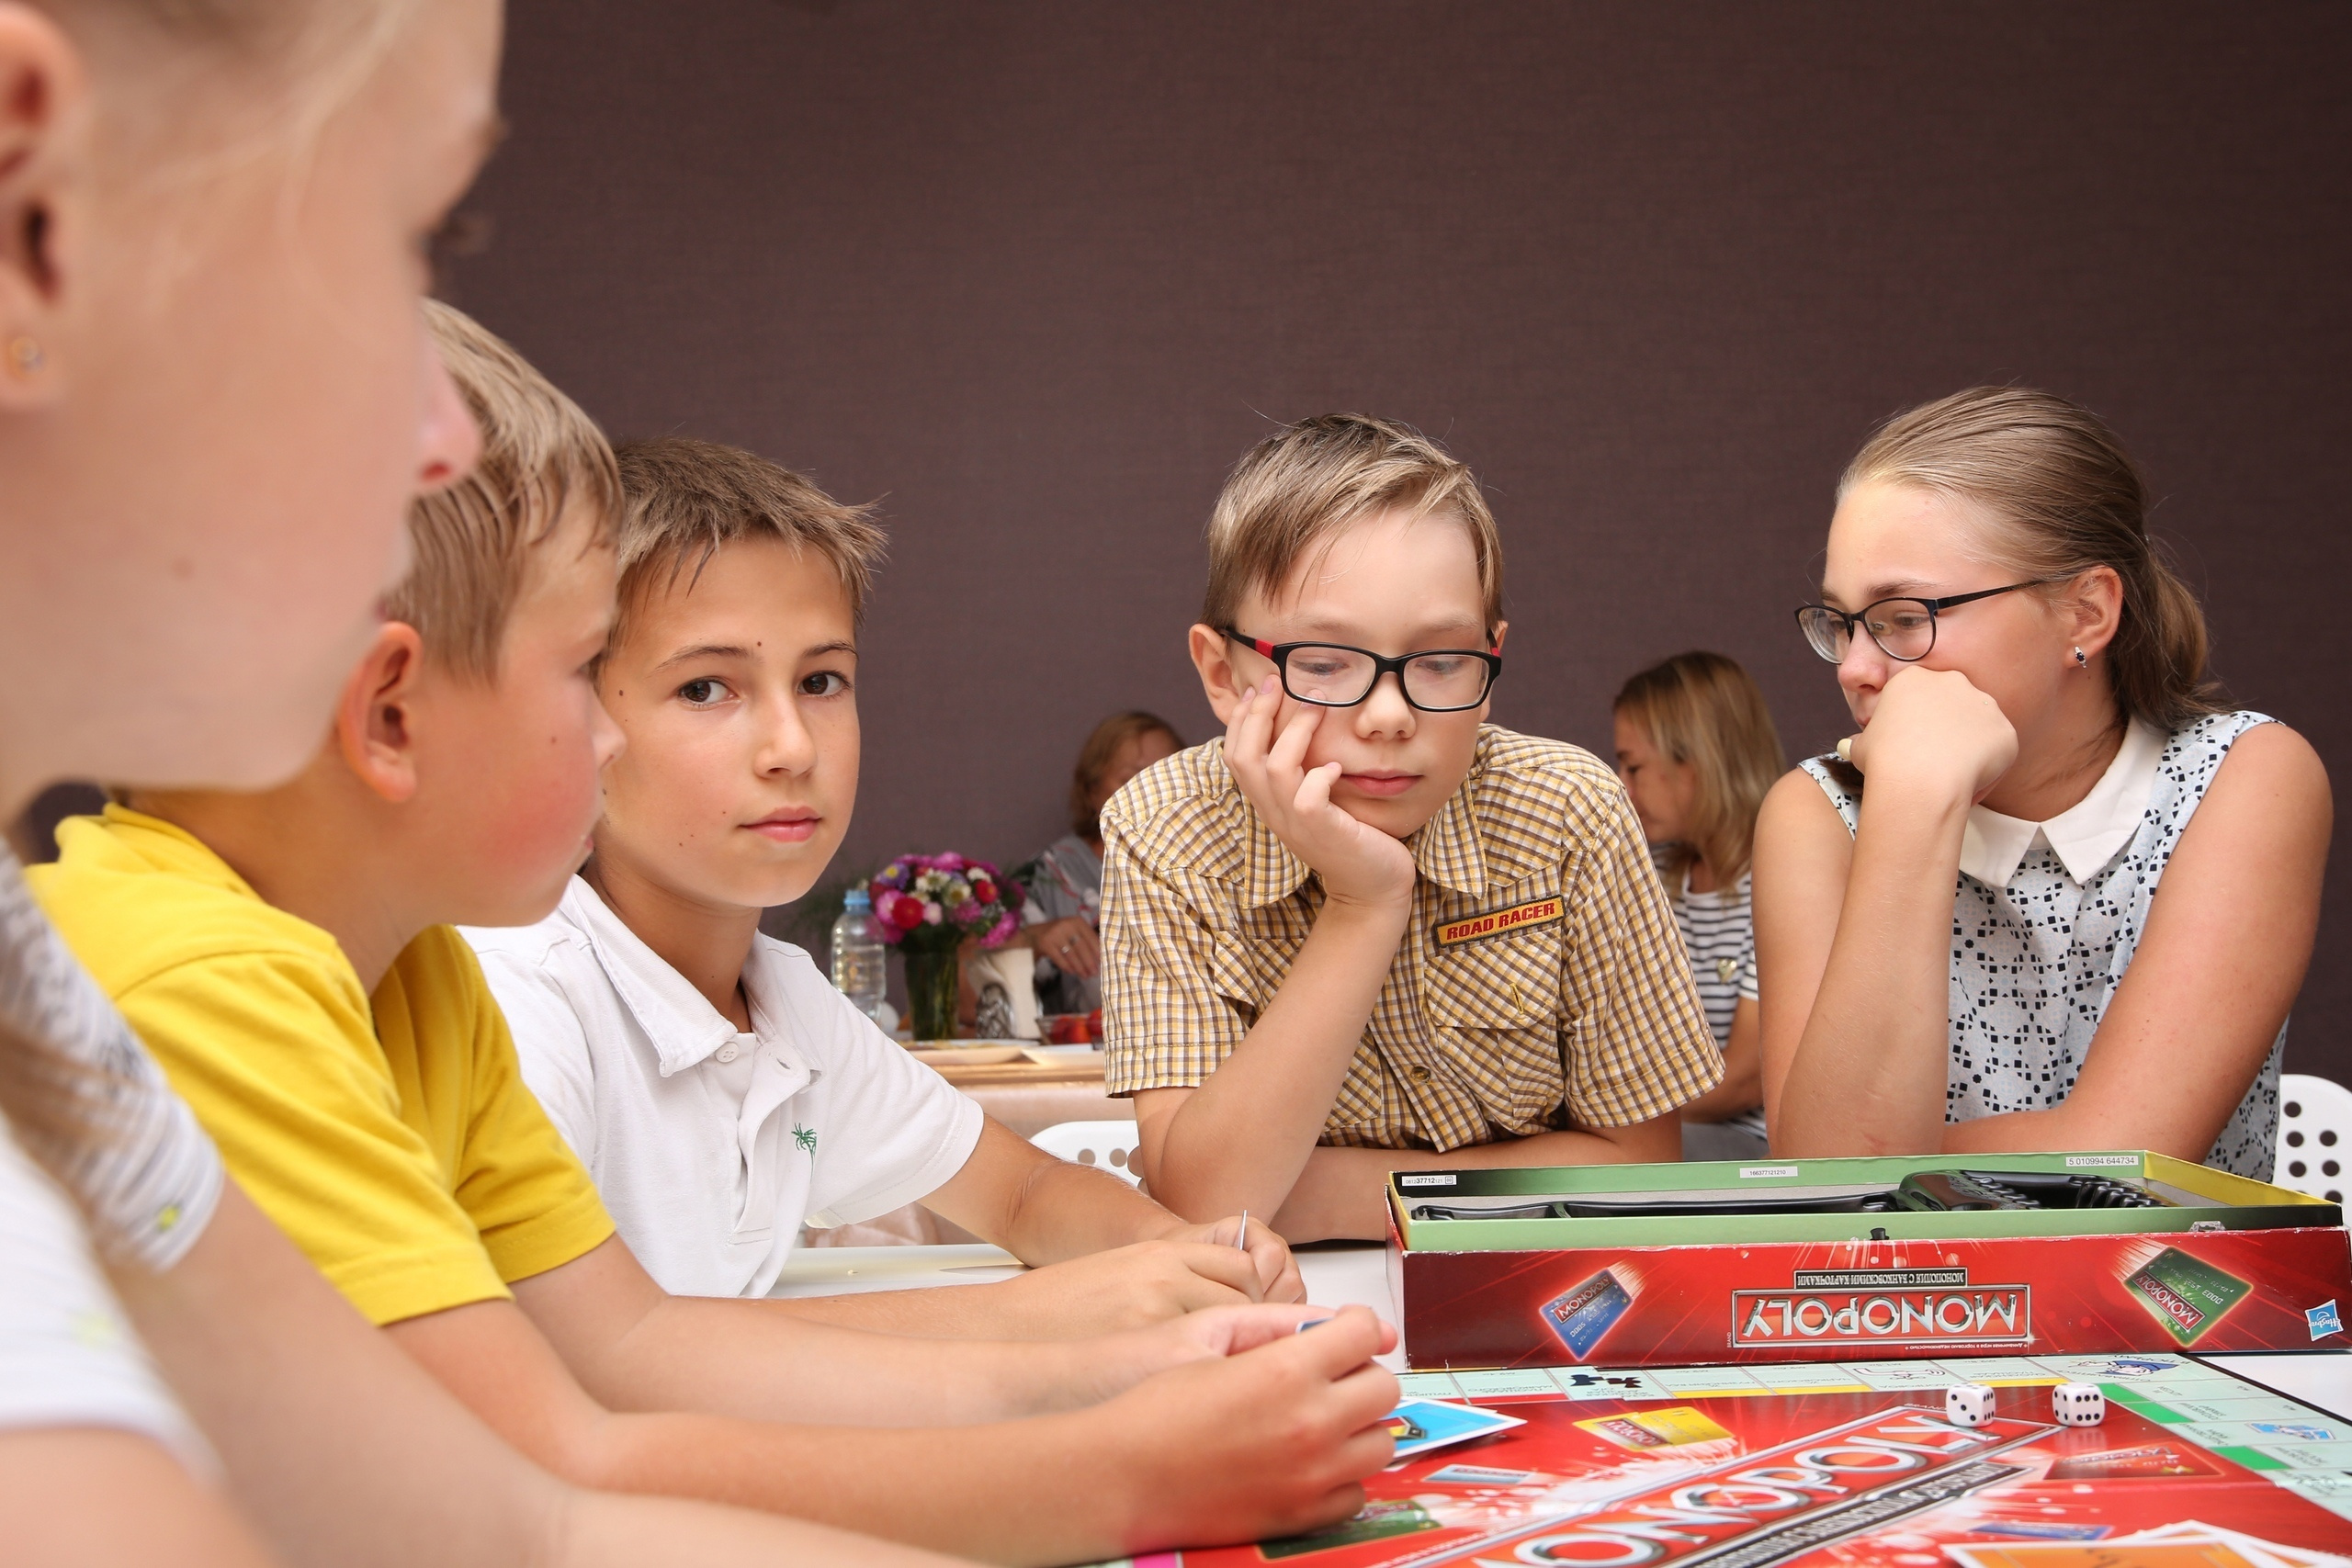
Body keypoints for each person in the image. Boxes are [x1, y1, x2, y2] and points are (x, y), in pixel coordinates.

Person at [32, 309, 1398, 1565]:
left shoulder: (413, 971)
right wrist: (1128, 1469)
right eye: (588, 675)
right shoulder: (204, 984)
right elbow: (550, 1476)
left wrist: (1120, 1370)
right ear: (390, 714)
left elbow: (633, 1344)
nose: (615, 735)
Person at [0, 2, 963, 1564]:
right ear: (33, 205)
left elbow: (524, 1516)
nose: (435, 429)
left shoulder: (38, 982)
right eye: (403, 243)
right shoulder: (178, 970)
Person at [469, 435, 1301, 1325]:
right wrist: (1059, 1315)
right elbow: (599, 1356)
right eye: (708, 689)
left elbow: (1019, 1194)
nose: (793, 747)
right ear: (574, 720)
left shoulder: (782, 999)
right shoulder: (521, 991)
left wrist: (1185, 1252)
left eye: (822, 680)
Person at [1106, 413, 1723, 1242]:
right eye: (1323, 664)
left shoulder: (1569, 811)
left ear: (1492, 659)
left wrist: (1318, 1196)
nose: (1391, 715)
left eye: (1439, 662)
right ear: (1223, 674)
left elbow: (1641, 1170)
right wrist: (1364, 905)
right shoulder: (1164, 830)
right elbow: (1207, 1203)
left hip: (1527, 1297)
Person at [1755, 386, 2331, 1173]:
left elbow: (2124, 1165)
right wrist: (1915, 803)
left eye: (1905, 616)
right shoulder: (1815, 814)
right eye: (1843, 622)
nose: (1856, 667)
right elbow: (1827, 1184)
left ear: (2086, 612)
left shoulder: (2245, 777)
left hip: (2172, 1297)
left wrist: (1896, 1157)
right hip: (1911, 1302)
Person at [1611, 652, 1785, 1162]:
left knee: (1596, 1163)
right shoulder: (1654, 879)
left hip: (1752, 1142)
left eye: (1635, 765)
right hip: (1663, 1122)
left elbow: (1748, 1078)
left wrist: (1599, 1119)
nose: (1623, 786)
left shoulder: (1781, 882)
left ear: (1698, 762)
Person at [1020, 710, 1183, 1016]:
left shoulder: (1213, 867)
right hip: (1081, 1057)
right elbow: (971, 998)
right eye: (1132, 777)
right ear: (1092, 790)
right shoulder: (1049, 874)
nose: (1155, 793)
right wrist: (1035, 940)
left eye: (1167, 776)